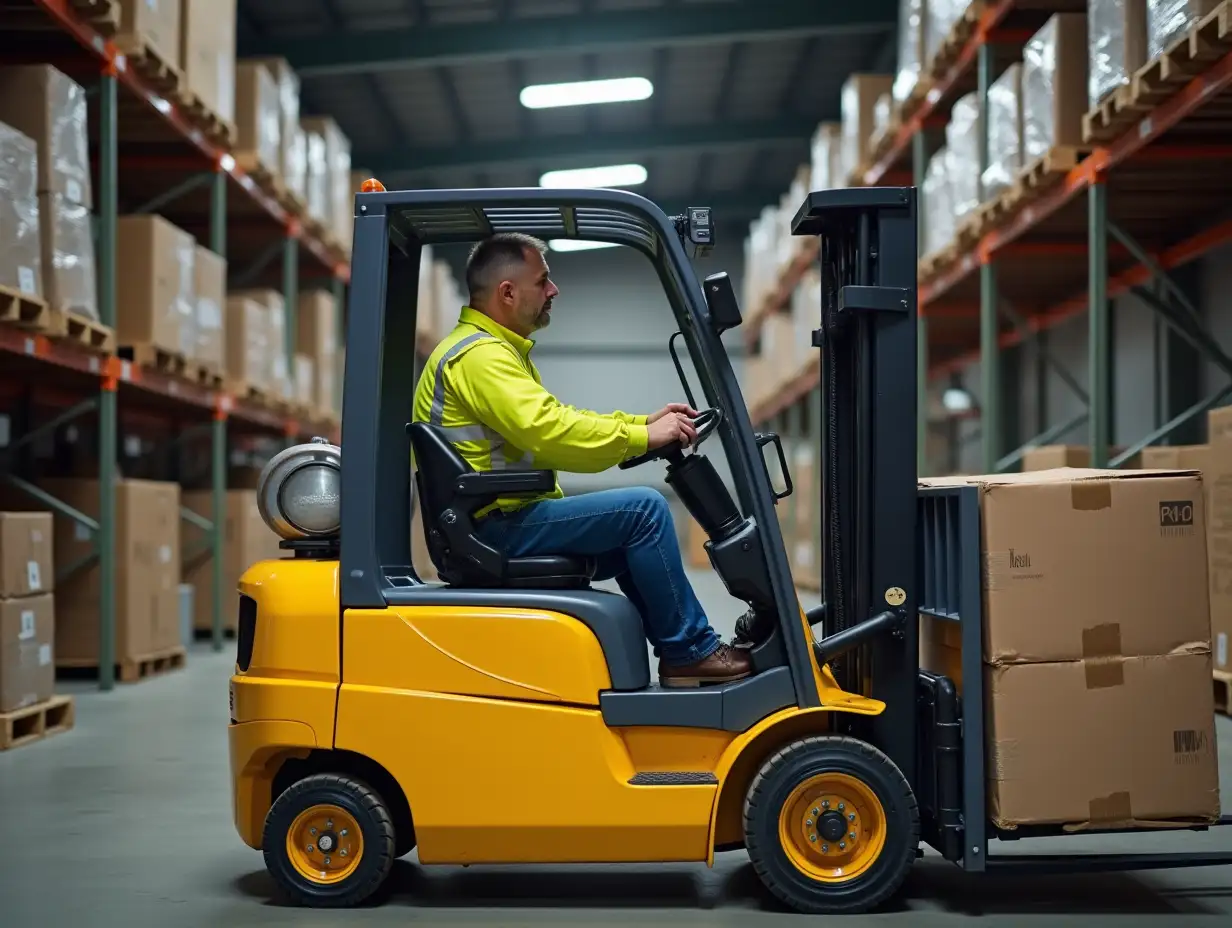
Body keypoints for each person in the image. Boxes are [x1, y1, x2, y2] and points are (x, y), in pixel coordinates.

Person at [411, 232, 752, 687]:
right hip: (495, 527)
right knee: (644, 511)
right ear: (507, 293)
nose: (553, 291)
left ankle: (680, 651)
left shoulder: (489, 351)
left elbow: (555, 418)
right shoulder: (481, 357)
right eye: (543, 281)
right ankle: (689, 652)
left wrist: (639, 424)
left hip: (493, 519)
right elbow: (550, 432)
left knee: (635, 533)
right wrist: (641, 437)